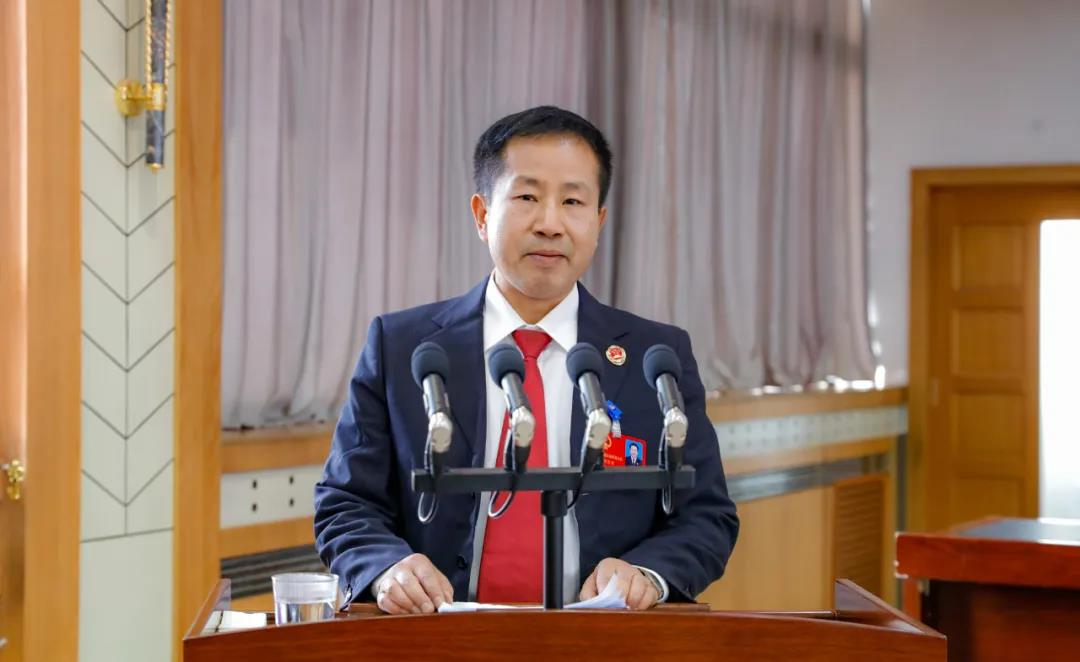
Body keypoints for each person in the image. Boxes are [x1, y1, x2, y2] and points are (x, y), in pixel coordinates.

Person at [314, 106, 739, 615]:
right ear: (482, 215)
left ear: (598, 221)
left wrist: (647, 573)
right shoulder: (402, 347)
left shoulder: (655, 358)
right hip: (437, 637)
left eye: (573, 201)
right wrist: (388, 568)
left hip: (601, 639)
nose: (550, 224)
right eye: (527, 197)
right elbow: (345, 503)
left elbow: (706, 515)